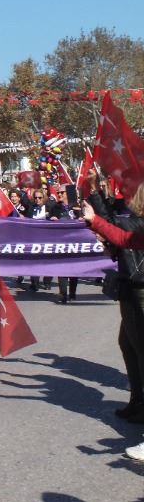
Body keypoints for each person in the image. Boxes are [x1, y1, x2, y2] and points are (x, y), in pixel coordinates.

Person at [84, 180, 144, 425]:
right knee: (128, 344)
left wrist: (95, 214)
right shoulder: (137, 222)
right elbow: (123, 239)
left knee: (139, 348)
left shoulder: (138, 223)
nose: (128, 198)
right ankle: (137, 401)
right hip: (131, 287)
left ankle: (141, 407)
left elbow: (122, 234)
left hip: (140, 291)